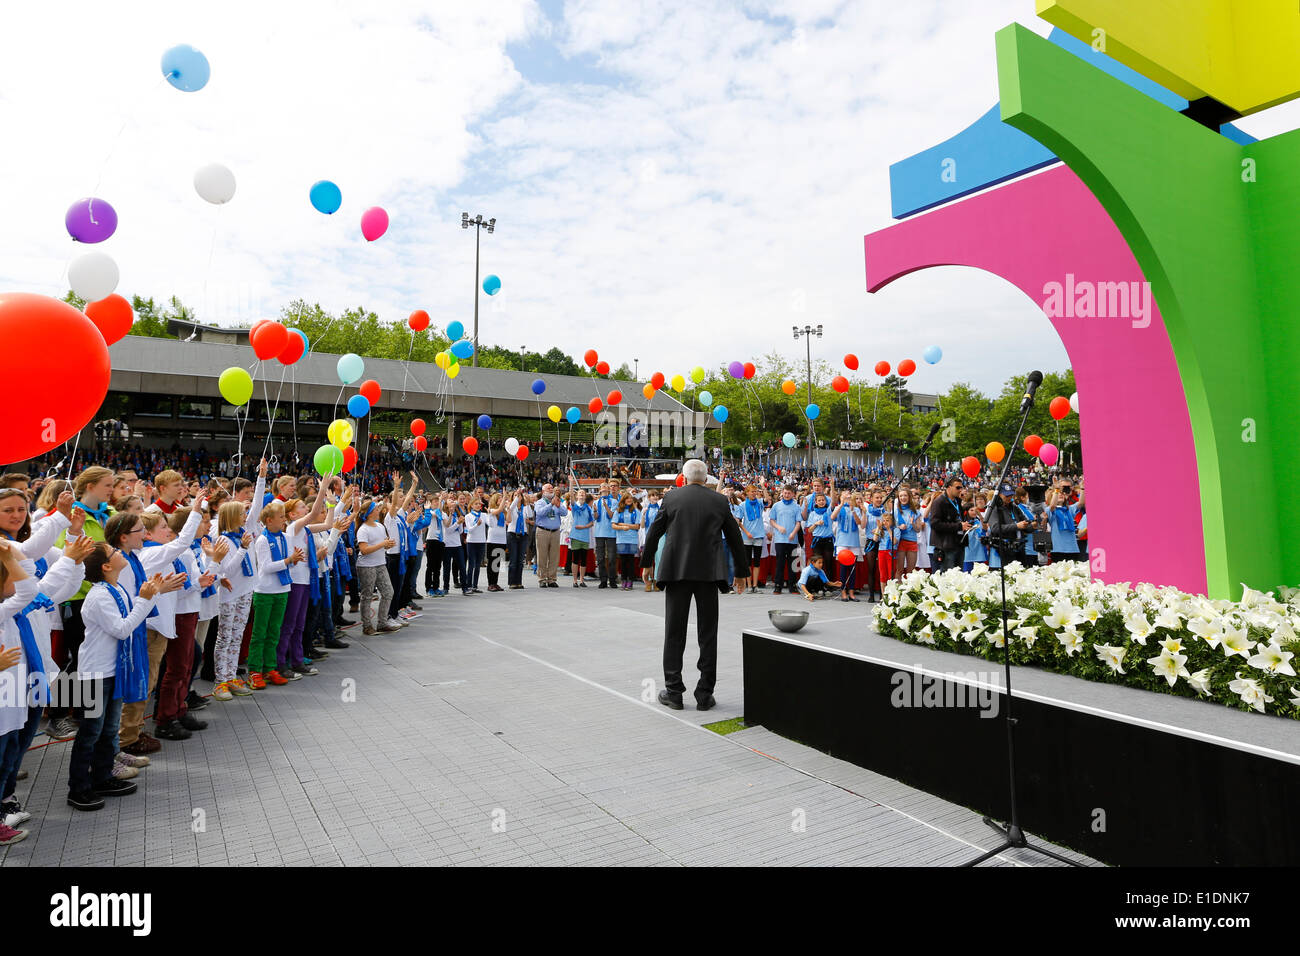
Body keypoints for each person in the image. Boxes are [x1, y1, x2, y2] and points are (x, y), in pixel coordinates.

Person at [640, 460, 747, 712]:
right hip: (709, 573)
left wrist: (647, 563)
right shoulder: (719, 501)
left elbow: (654, 531)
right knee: (707, 634)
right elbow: (735, 537)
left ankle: (674, 691)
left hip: (677, 571)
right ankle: (704, 693)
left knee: (673, 632)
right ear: (706, 477)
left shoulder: (672, 498)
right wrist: (741, 573)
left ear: (684, 477)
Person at [926, 477, 968, 574]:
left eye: (961, 488)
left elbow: (958, 519)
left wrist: (965, 524)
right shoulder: (939, 502)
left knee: (959, 576)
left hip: (959, 543)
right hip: (946, 546)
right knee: (948, 577)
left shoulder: (957, 501)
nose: (960, 490)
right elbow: (935, 524)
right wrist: (958, 526)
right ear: (949, 487)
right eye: (958, 488)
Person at [767, 485, 803, 595]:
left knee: (793, 563)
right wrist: (778, 527)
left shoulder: (796, 507)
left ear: (793, 494)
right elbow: (772, 520)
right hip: (779, 539)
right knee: (780, 563)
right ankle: (778, 585)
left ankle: (793, 585)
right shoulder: (776, 506)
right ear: (782, 492)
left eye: (789, 493)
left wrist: (793, 533)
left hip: (792, 539)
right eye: (785, 493)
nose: (787, 495)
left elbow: (798, 522)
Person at [533, 483, 568, 588]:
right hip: (543, 531)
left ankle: (552, 579)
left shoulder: (557, 501)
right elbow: (540, 513)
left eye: (552, 488)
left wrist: (558, 506)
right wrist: (551, 505)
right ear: (543, 491)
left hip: (555, 531)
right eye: (548, 488)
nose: (551, 489)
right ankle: (542, 578)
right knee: (542, 556)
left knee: (554, 556)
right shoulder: (539, 502)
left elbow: (565, 512)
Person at [567, 489, 593, 587]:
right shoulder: (575, 506)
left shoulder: (588, 508)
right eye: (580, 493)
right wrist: (571, 483)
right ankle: (574, 580)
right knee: (575, 558)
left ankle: (582, 580)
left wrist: (584, 527)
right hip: (576, 536)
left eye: (583, 493)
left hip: (585, 536)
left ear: (585, 496)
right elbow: (571, 499)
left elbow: (591, 522)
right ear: (577, 496)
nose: (582, 494)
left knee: (583, 559)